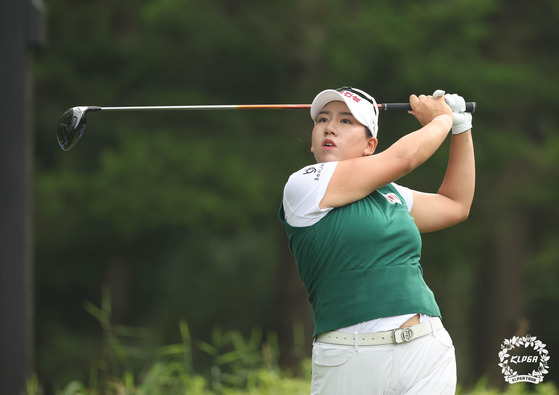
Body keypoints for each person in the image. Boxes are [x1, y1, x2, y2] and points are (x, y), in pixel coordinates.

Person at [279, 86, 475, 394]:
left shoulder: (391, 194)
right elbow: (405, 157)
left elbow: (455, 205)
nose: (330, 127)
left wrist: (461, 127)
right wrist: (441, 121)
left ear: (370, 145)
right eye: (322, 120)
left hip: (425, 347)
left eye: (346, 121)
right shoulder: (304, 185)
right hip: (350, 356)